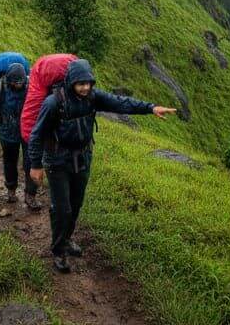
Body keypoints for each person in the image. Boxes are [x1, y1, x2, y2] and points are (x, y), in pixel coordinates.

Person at [28, 58, 175, 273]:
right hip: (58, 162)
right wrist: (35, 165)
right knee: (62, 208)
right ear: (70, 82)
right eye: (80, 83)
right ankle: (59, 251)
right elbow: (36, 135)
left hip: (83, 159)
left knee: (76, 204)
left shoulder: (93, 98)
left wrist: (151, 108)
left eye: (88, 83)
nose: (85, 87)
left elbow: (121, 103)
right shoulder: (53, 103)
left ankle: (67, 239)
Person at [0, 62, 40, 210]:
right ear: (8, 80)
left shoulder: (31, 87)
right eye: (15, 83)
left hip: (28, 132)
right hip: (7, 132)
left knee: (31, 162)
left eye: (21, 82)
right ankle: (11, 190)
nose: (18, 86)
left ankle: (31, 195)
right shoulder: (0, 88)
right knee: (10, 161)